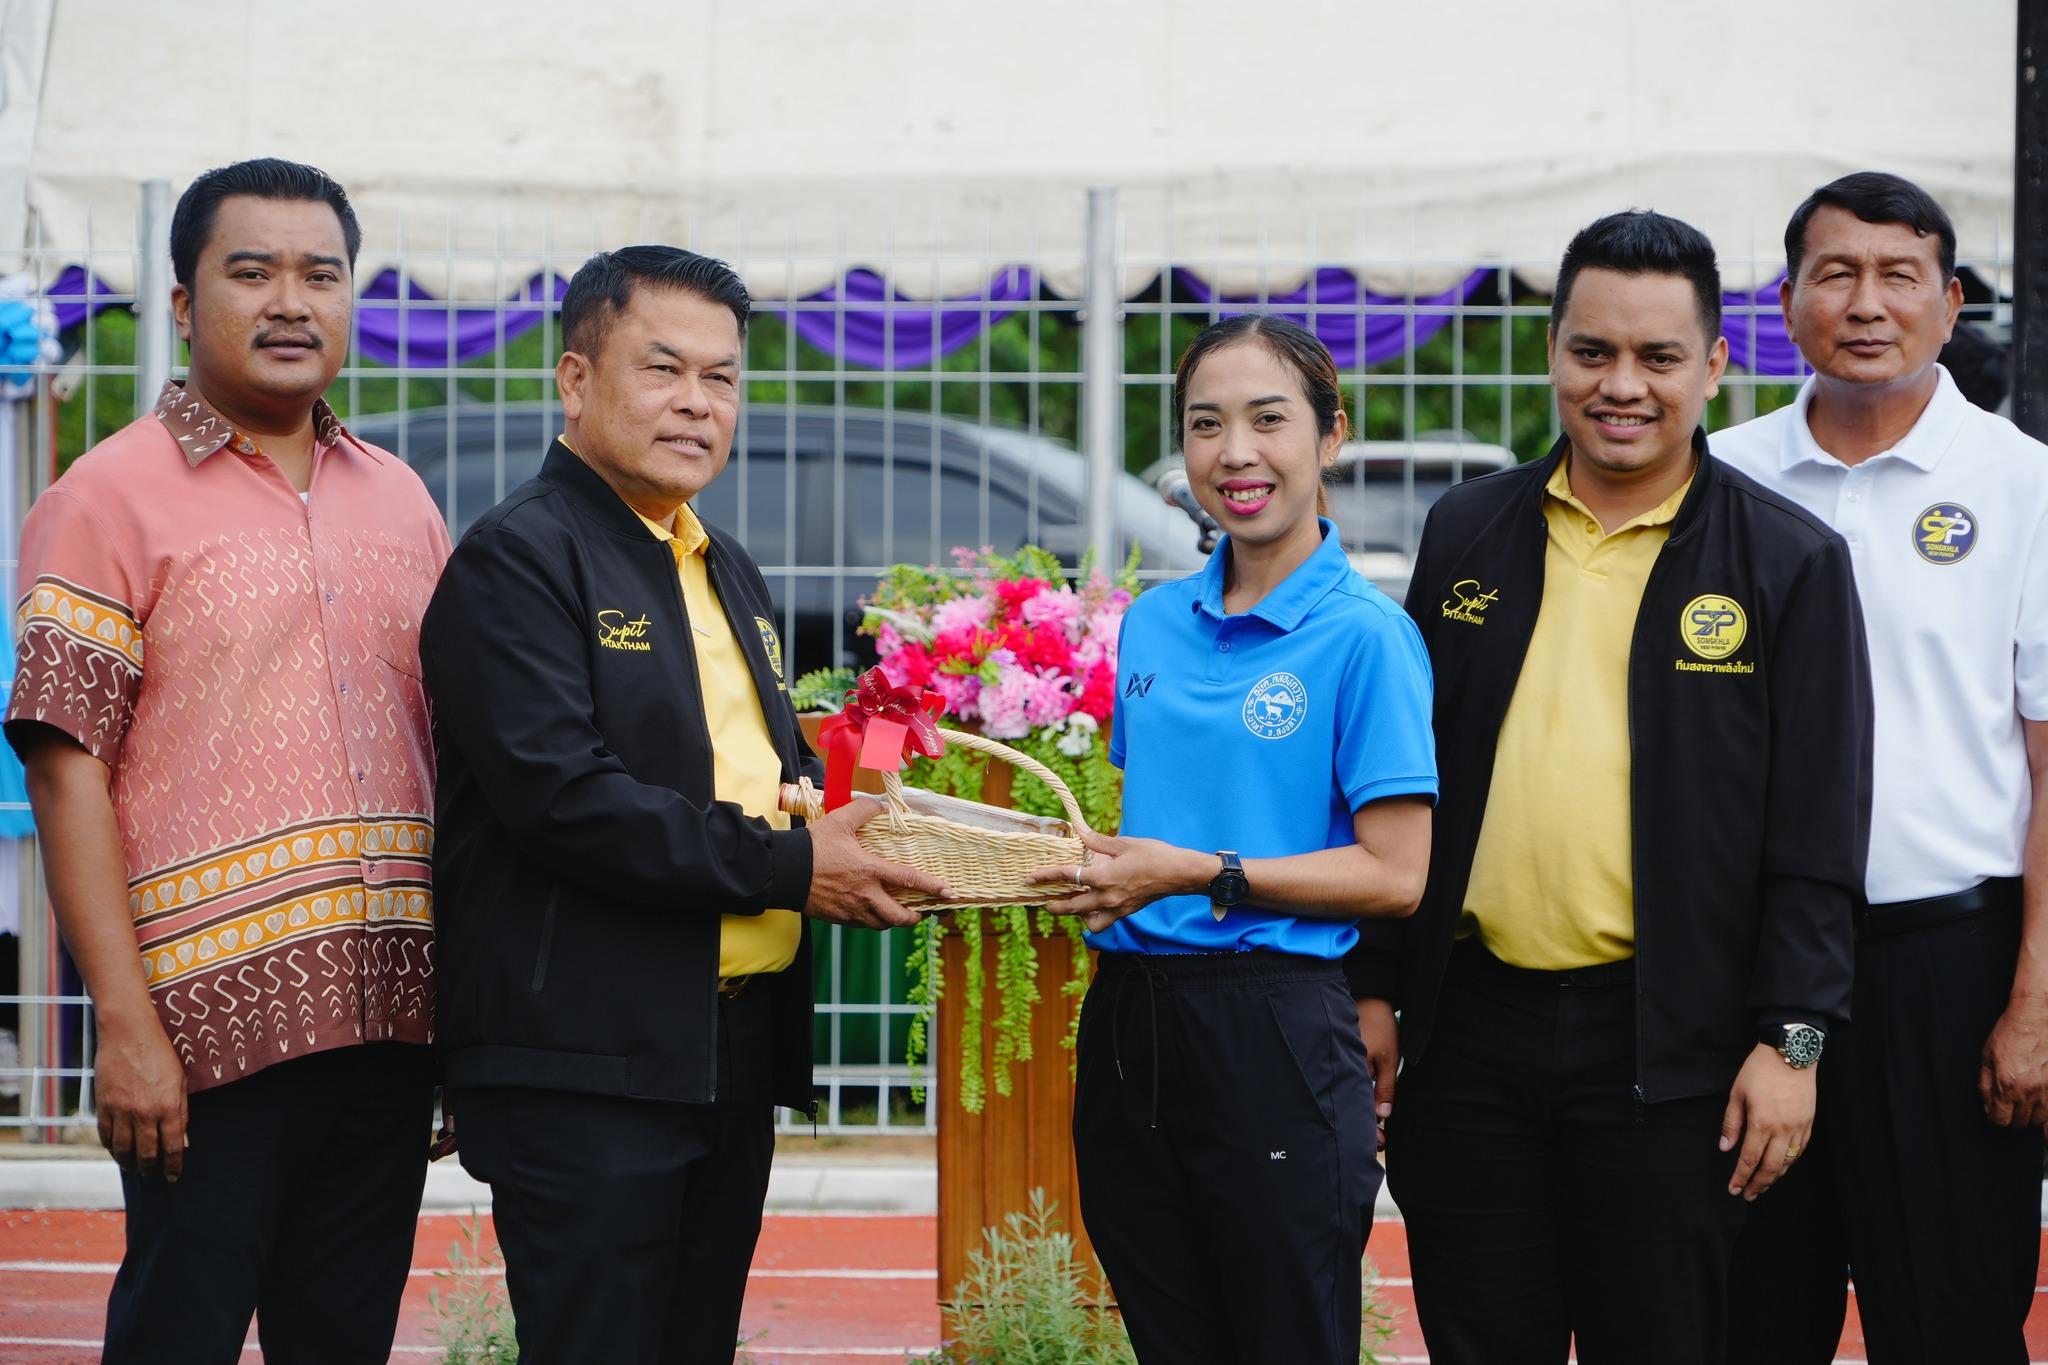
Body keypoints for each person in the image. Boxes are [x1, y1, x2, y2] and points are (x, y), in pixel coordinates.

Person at [1344, 210, 1872, 1365]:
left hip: (1670, 1049)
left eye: (1656, 357)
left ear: (1714, 364)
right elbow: (1400, 779)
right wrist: (1375, 986)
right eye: (1590, 351)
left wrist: (1791, 1043)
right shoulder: (1466, 530)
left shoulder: (1786, 561)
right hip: (1468, 1038)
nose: (1620, 386)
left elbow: (1817, 830)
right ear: (1550, 353)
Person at [419, 245, 950, 1365]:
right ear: (575, 379)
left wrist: (863, 782)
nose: (696, 403)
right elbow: (566, 800)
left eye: (721, 377)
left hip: (726, 1048)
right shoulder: (518, 558)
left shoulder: (723, 565)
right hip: (587, 1057)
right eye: (662, 369)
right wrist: (797, 866)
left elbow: (761, 773)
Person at [5, 159, 450, 1362]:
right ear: (185, 300)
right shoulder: (104, 498)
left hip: (388, 1022)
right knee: (178, 1335)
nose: (290, 302)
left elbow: (447, 756)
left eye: (321, 274)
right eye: (251, 272)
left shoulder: (403, 501)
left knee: (342, 1341)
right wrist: (125, 1027)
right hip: (202, 1033)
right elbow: (65, 772)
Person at [1027, 314, 1437, 1365]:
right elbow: (1161, 818)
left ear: (1330, 434)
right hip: (1130, 1024)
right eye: (1205, 424)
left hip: (1274, 1028)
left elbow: (1397, 875)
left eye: (1268, 419)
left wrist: (1199, 873)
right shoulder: (1154, 622)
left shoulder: (1368, 635)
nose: (1235, 453)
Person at [1720, 172, 2048, 1365]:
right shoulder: (1719, 477)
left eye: (1897, 276)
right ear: (1785, 302)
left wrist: (2034, 997)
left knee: (1951, 1322)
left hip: (1943, 972)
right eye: (1835, 274)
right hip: (1749, 973)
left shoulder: (2022, 485)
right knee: (1743, 1320)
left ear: (1948, 304)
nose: (1865, 304)